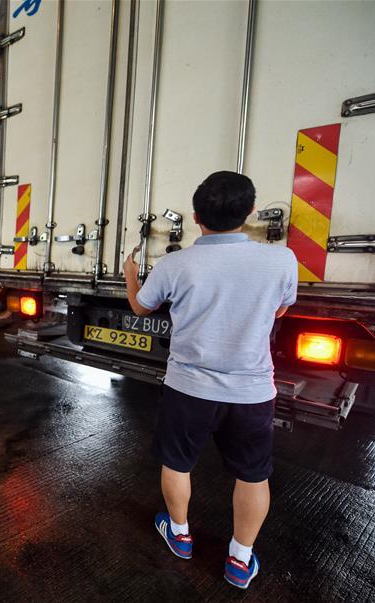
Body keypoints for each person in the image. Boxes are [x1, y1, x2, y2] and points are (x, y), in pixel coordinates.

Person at [123, 171, 297, 590]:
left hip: (189, 388)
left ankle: (180, 534)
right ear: (251, 212)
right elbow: (280, 310)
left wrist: (132, 273)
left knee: (177, 461)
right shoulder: (282, 259)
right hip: (252, 392)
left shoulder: (176, 263)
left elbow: (141, 307)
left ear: (197, 216)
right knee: (253, 474)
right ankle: (240, 559)